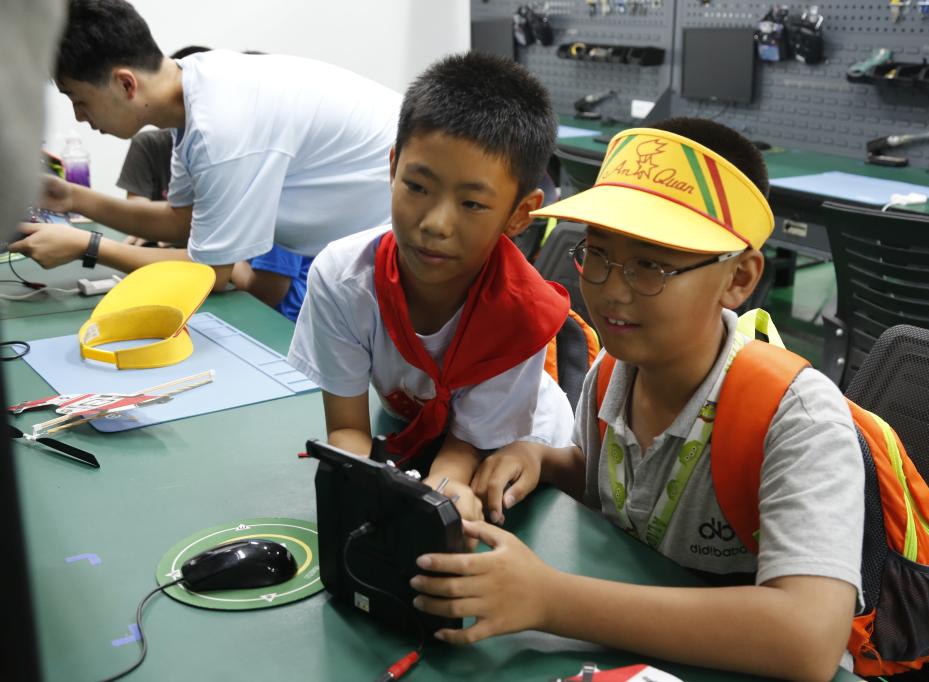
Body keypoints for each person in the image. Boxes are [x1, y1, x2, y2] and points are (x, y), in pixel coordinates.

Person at [410, 118, 865, 682]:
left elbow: (808, 639)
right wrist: (541, 458)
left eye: (650, 265)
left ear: (738, 279)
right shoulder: (614, 371)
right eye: (597, 254)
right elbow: (616, 486)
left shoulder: (796, 417)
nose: (612, 289)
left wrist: (550, 599)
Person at [287, 52, 575, 524]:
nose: (436, 224)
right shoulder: (342, 279)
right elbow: (347, 429)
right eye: (418, 187)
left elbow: (467, 445)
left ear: (521, 213)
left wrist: (442, 491)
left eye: (472, 204)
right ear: (393, 168)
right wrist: (363, 487)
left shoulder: (522, 310)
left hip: (517, 441)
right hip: (417, 435)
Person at [10, 0, 399, 300]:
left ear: (126, 84)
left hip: (400, 245)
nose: (80, 117)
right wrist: (72, 197)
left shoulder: (221, 125)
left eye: (79, 99)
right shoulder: (197, 87)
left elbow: (211, 274)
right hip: (372, 248)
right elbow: (183, 220)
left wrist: (89, 246)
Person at [113, 45, 312, 321]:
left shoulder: (280, 192)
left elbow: (268, 291)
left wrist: (226, 254)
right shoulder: (209, 152)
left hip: (282, 321)